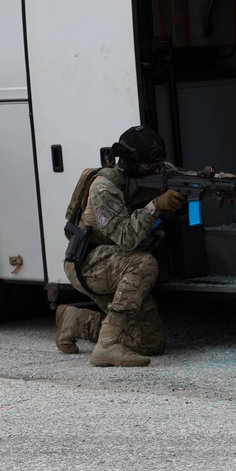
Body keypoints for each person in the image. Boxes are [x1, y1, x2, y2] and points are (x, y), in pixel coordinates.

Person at [54, 126, 187, 367]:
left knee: (149, 342)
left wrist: (218, 185)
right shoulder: (104, 187)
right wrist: (156, 205)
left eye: (159, 163)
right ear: (129, 163)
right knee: (143, 263)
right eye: (149, 166)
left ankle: (75, 321)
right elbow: (126, 237)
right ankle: (106, 346)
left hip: (117, 264)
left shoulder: (159, 171)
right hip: (88, 262)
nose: (157, 169)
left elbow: (188, 180)